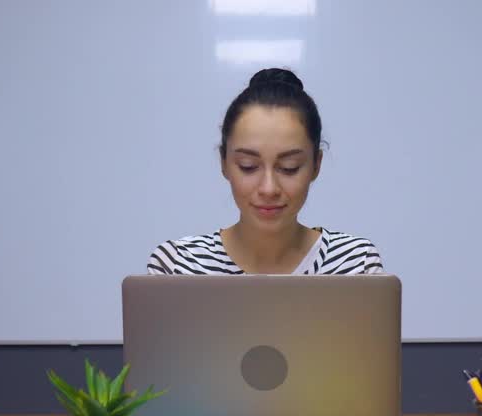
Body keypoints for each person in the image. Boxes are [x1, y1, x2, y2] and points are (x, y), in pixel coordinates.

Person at [147, 68, 384, 275]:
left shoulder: (355, 264)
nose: (268, 188)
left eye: (289, 168)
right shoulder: (178, 265)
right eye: (248, 167)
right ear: (224, 163)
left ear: (316, 165)